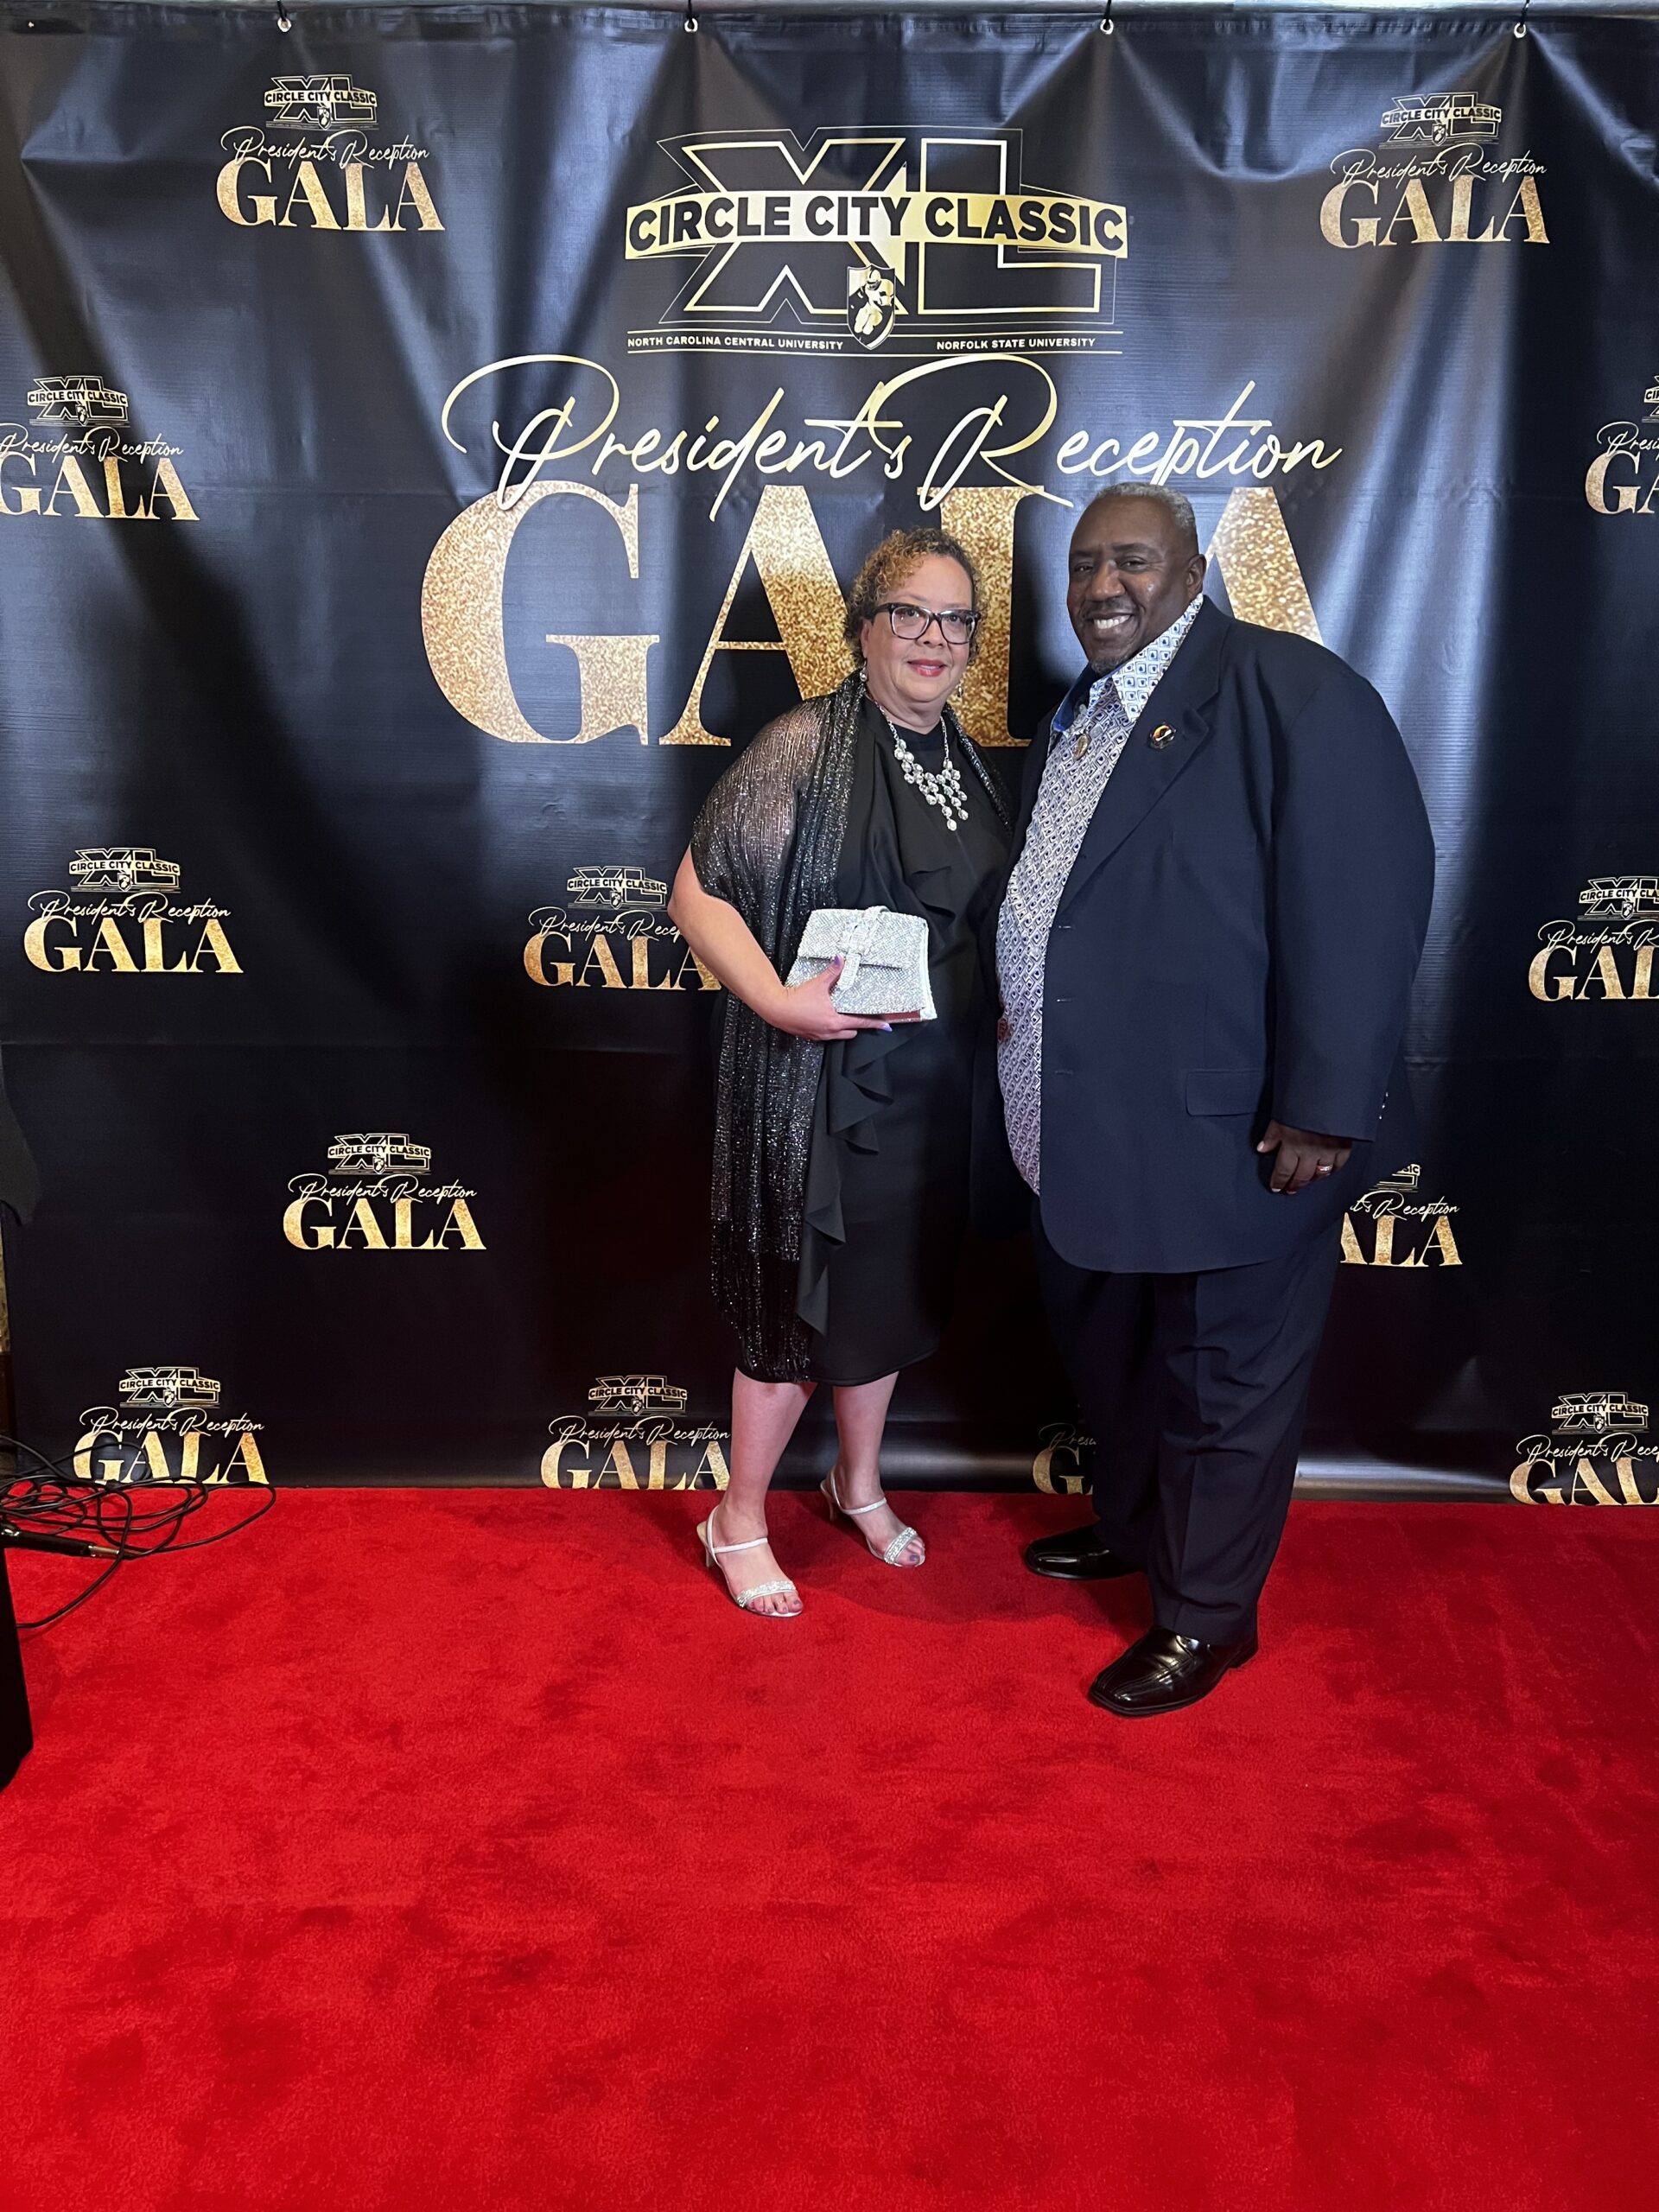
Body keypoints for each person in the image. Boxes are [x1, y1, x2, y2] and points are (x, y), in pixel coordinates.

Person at [998, 486, 1433, 1714]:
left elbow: (1364, 898)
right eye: (1085, 566)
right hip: (1074, 1128)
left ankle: (1205, 1618)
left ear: (1193, 573)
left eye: (1133, 561)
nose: (1103, 587)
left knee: (1223, 1381)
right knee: (1125, 1362)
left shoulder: (1294, 693)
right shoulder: (1077, 719)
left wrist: (1325, 1102)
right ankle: (1139, 1529)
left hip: (1231, 1130)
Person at [669, 527, 1013, 1617]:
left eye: (954, 619)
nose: (933, 637)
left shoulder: (963, 758)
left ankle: (856, 1484)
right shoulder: (807, 743)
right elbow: (693, 895)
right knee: (796, 1310)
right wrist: (777, 1002)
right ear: (865, 628)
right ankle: (737, 1518)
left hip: (933, 1094)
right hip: (819, 1092)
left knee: (888, 1296)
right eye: (909, 612)